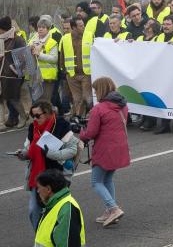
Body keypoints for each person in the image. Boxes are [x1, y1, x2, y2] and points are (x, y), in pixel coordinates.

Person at [18, 100, 78, 229]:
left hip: (56, 176)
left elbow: (73, 150)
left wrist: (52, 154)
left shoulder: (61, 124)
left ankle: (57, 236)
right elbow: (29, 151)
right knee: (34, 211)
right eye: (32, 116)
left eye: (38, 115)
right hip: (37, 178)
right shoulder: (32, 127)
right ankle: (41, 238)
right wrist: (23, 154)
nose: (35, 119)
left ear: (49, 113)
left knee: (56, 212)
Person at [79, 76, 130, 226]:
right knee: (107, 179)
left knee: (96, 181)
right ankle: (110, 210)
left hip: (105, 149)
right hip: (120, 147)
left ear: (100, 90)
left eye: (95, 90)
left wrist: (81, 132)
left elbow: (91, 133)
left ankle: (113, 208)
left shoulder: (99, 108)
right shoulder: (123, 106)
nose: (94, 93)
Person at [33, 169, 85, 247]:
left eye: (39, 187)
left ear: (48, 189)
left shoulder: (66, 210)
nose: (38, 191)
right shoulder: (53, 204)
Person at [1, 15, 29, 127]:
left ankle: (23, 116)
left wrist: (14, 68)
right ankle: (11, 119)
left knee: (14, 98)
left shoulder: (18, 39)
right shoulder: (1, 39)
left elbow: (24, 58)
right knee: (7, 98)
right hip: (3, 73)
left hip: (14, 74)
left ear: (3, 28)